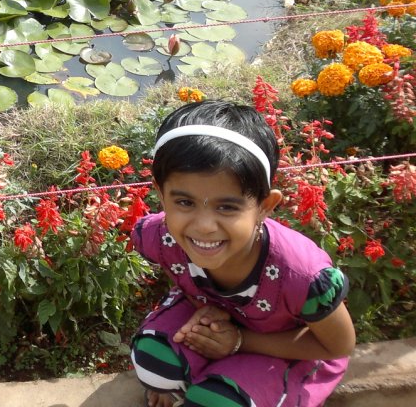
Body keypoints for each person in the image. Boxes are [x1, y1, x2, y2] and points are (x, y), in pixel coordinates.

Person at [130, 100, 355, 407]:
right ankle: (203, 377)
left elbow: (339, 345)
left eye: (227, 207)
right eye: (184, 202)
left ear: (265, 206)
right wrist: (209, 310)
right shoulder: (160, 236)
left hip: (285, 347)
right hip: (216, 321)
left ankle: (226, 382)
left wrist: (238, 341)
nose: (204, 226)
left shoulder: (301, 274)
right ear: (161, 193)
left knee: (216, 402)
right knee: (154, 362)